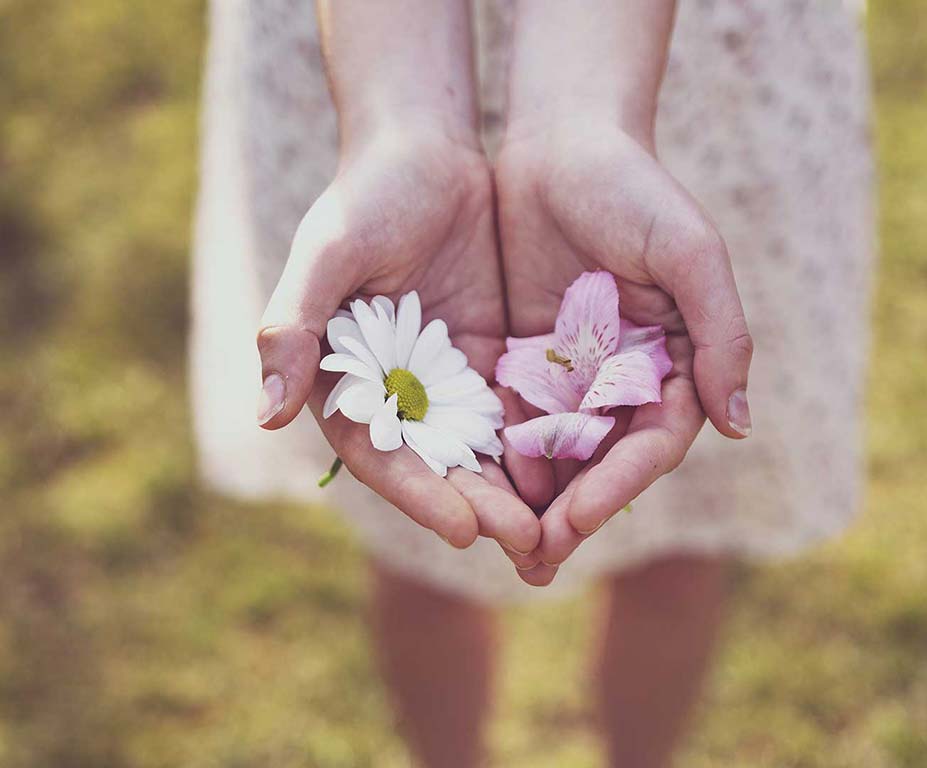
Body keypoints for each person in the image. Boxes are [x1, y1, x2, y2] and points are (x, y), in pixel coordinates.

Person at [191, 1, 874, 765]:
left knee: (681, 533)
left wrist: (584, 125)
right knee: (417, 546)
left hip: (695, 60)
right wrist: (399, 127)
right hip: (367, 41)